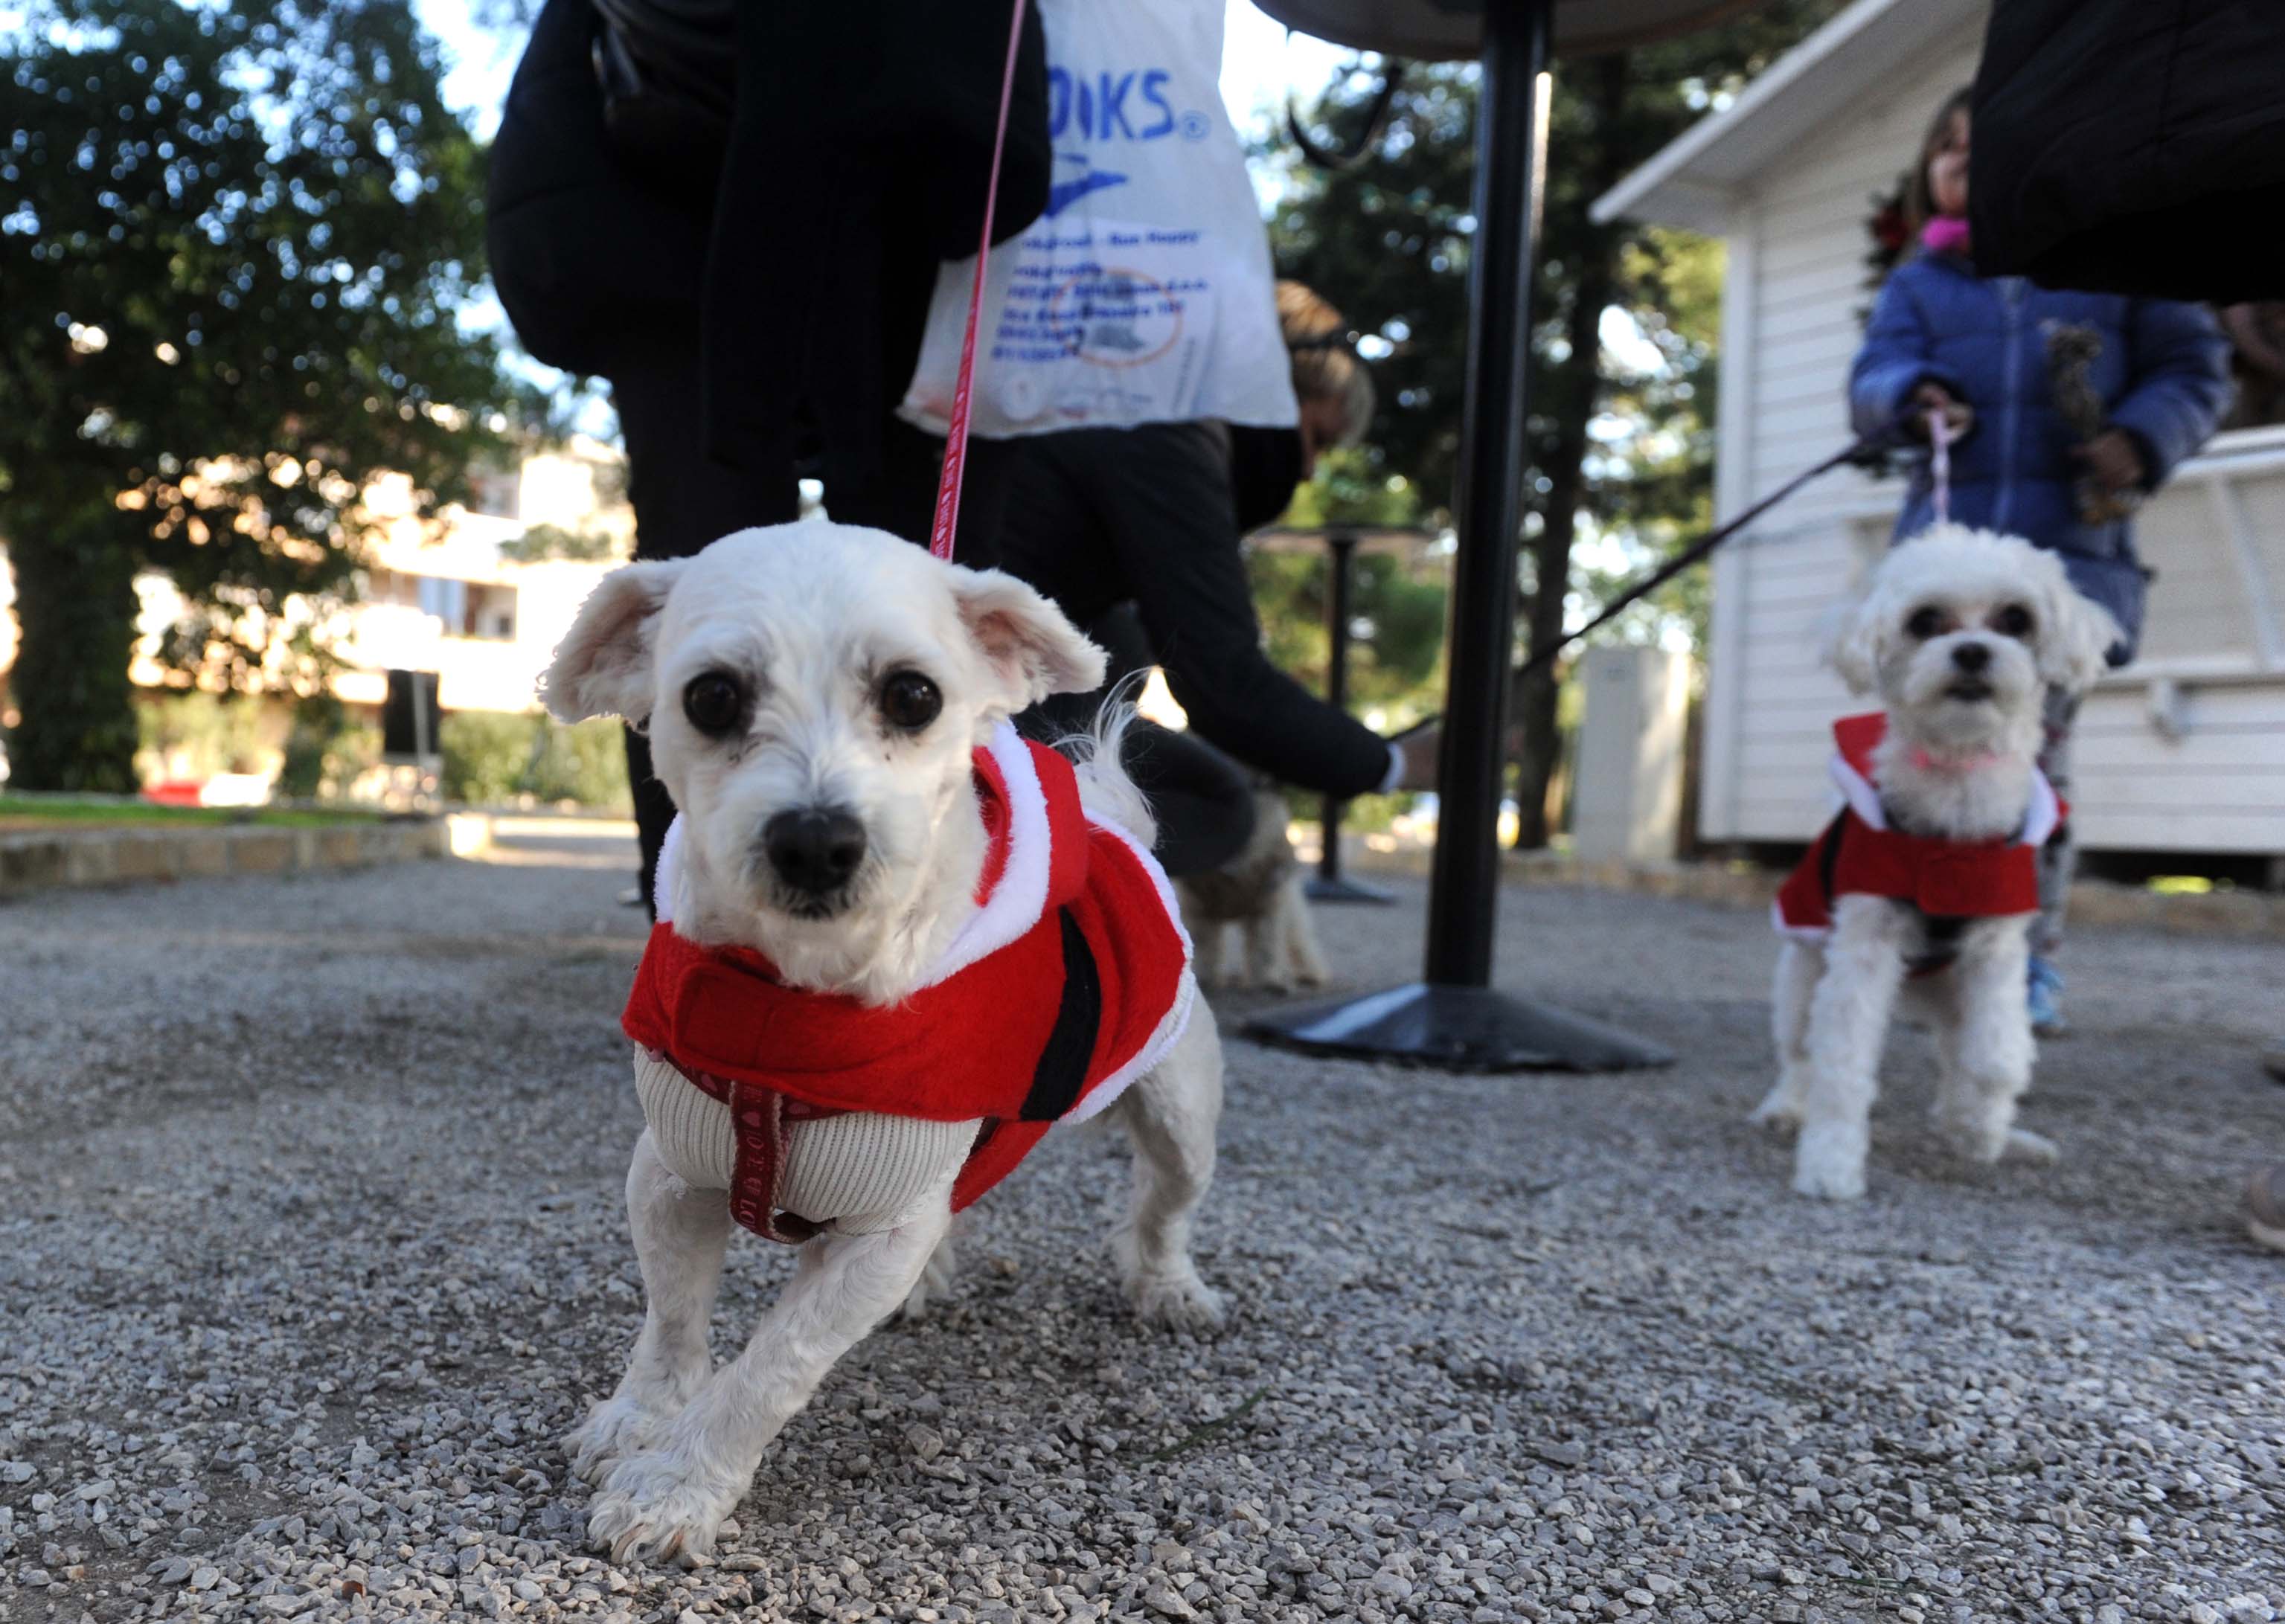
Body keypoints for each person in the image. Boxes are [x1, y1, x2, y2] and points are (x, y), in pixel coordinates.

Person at [486, 0, 1051, 911]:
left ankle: (961, 935)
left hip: (894, 192)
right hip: (694, 204)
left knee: (907, 579)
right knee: (711, 555)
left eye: (906, 701)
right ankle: (692, 924)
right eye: (718, 705)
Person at [1847, 87, 2231, 1035]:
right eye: (1945, 147)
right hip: (1939, 572)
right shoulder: (1916, 284)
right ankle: (1900, 938)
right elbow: (1869, 381)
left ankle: (2018, 963)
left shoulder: (2125, 268)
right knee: (1910, 771)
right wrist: (1912, 393)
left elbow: (2194, 370)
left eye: (1983, 147)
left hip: (2066, 571)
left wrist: (2140, 440)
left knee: (2033, 782)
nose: (1958, 162)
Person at [999, 281, 1433, 878]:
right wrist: (1394, 764)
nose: (1307, 471)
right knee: (1218, 803)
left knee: (1119, 647)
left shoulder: (1093, 398)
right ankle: (1045, 912)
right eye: (1316, 439)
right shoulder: (1165, 430)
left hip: (975, 675)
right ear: (1274, 395)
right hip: (985, 706)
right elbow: (1222, 679)